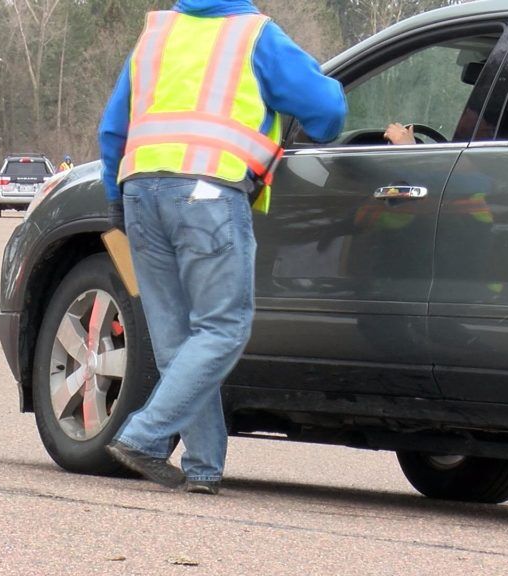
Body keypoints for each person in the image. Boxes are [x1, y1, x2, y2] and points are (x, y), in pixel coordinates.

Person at [98, 0, 347, 495]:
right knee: (224, 328)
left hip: (140, 192)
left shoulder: (158, 31)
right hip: (207, 194)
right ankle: (144, 436)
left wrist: (114, 198)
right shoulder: (256, 35)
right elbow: (329, 112)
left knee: (180, 343)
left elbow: (113, 127)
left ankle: (203, 468)